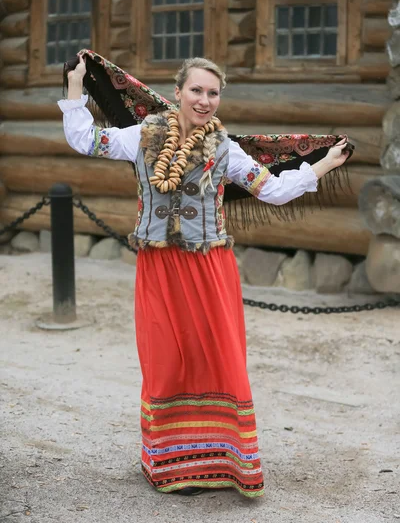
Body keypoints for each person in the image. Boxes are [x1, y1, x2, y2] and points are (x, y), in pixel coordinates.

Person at [58, 54, 349, 498]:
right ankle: (172, 463)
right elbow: (85, 139)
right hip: (159, 266)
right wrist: (76, 85)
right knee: (167, 359)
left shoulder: (225, 148)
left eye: (213, 93)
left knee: (218, 359)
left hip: (209, 268)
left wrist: (325, 163)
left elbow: (272, 190)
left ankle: (222, 462)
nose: (205, 100)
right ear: (178, 93)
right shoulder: (143, 135)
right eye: (196, 90)